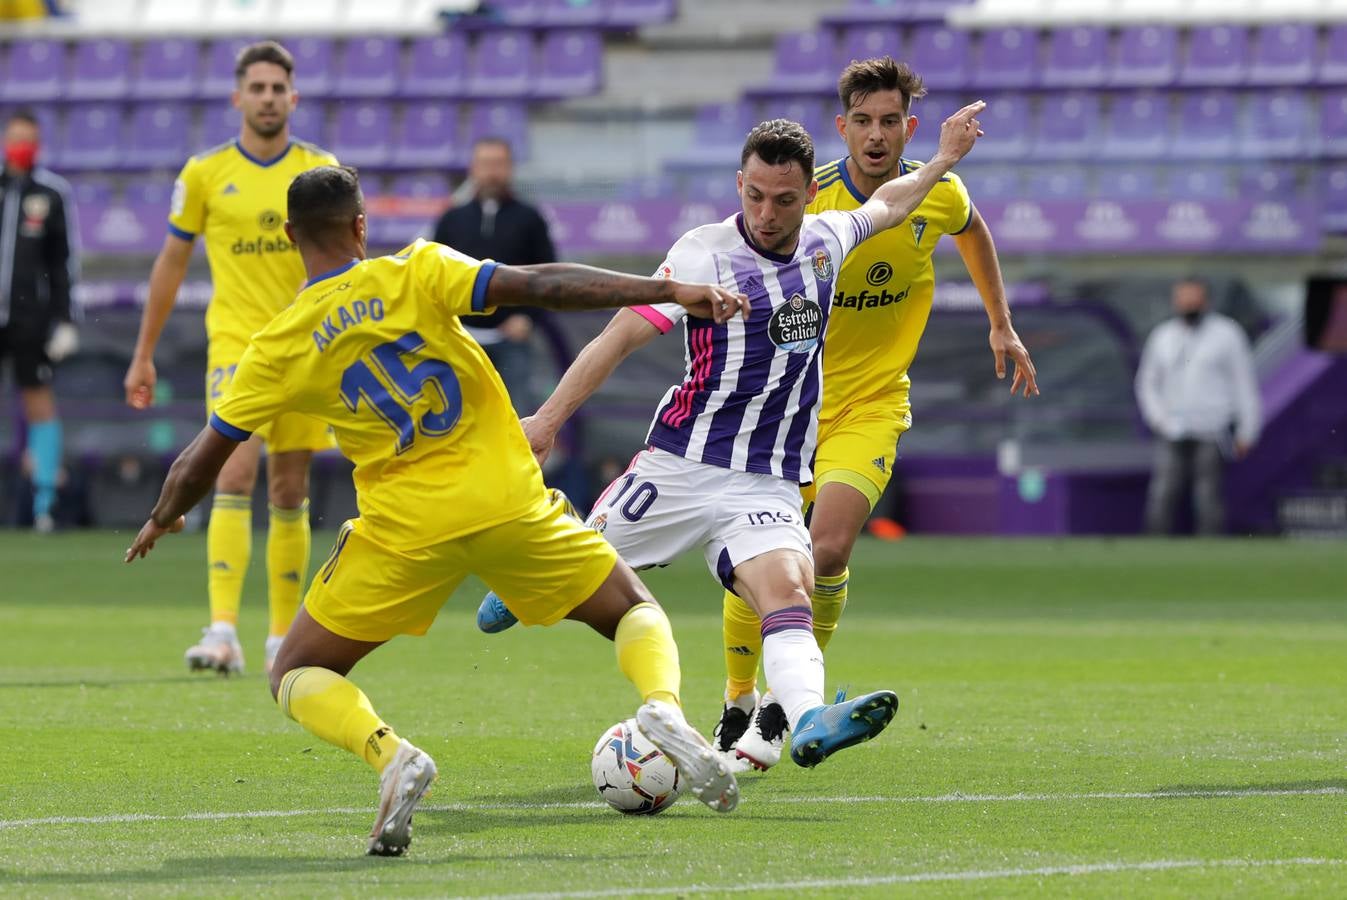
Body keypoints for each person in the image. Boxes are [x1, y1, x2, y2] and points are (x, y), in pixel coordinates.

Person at [124, 166, 750, 855]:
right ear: (360, 225)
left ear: (291, 238)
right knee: (633, 610)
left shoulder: (276, 345)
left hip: (404, 531)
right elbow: (540, 286)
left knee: (297, 672)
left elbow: (203, 456)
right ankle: (660, 709)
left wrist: (165, 514)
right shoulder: (416, 270)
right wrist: (667, 289)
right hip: (507, 499)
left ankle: (391, 756)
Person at [477, 104, 987, 770]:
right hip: (679, 465)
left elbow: (890, 202)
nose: (767, 212)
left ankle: (805, 718)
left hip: (767, 478)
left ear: (809, 194)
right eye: (753, 195)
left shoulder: (826, 240)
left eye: (783, 199)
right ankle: (534, 568)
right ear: (737, 185)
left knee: (787, 593)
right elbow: (620, 336)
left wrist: (944, 159)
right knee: (566, 575)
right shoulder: (702, 254)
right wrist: (546, 420)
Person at [717, 57, 1039, 771]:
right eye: (861, 120)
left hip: (870, 406)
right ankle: (737, 698)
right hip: (786, 411)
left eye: (888, 120)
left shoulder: (938, 193)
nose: (875, 133)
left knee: (824, 550)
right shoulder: (813, 200)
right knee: (759, 560)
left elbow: (973, 229)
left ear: (908, 127)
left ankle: (778, 709)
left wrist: (999, 322)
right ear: (842, 127)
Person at [122, 41, 339, 676]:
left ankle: (280, 638)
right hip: (237, 346)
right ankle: (221, 631)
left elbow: (347, 260)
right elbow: (171, 263)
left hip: (305, 346)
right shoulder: (205, 173)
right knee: (235, 474)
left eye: (279, 88)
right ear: (237, 97)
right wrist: (143, 354)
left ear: (293, 98)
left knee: (291, 488)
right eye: (258, 87)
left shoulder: (319, 169)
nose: (268, 97)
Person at [431, 137, 554, 413]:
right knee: (459, 419)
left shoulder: (530, 218)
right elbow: (433, 276)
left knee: (517, 416)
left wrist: (527, 318)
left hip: (512, 340)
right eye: (485, 164)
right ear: (473, 169)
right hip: (460, 340)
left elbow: (548, 276)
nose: (492, 172)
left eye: (499, 164)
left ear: (510, 168)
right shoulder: (451, 219)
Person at [0, 109, 79, 533]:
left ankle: (44, 503)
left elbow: (64, 260)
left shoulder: (51, 193)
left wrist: (66, 318)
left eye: (28, 138)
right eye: (15, 137)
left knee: (38, 401)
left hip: (31, 317)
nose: (20, 145)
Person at [1135, 277, 1261, 535]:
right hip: (1172, 428)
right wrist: (1158, 418)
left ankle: (1210, 552)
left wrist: (1248, 429)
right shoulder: (1163, 335)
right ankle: (1153, 550)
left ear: (1206, 301)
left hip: (1211, 428)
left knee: (1208, 497)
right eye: (1184, 298)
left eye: (1194, 298)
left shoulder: (1227, 334)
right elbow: (1147, 383)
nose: (1189, 304)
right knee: (1163, 492)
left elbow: (1243, 384)